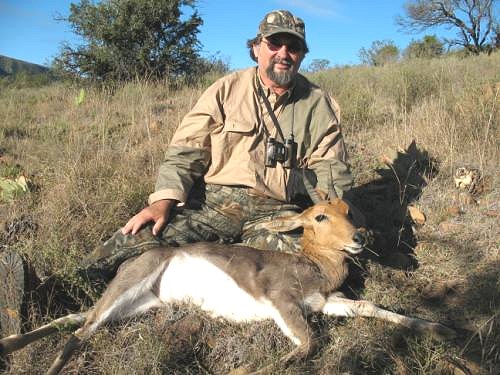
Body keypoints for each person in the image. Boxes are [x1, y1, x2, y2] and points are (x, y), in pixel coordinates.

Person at [82, 9, 353, 281]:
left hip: (276, 209)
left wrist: (340, 219)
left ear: (302, 55)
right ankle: (67, 285)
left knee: (309, 269)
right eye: (274, 44)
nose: (283, 53)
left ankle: (223, 275)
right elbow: (187, 150)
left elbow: (330, 168)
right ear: (257, 47)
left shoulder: (318, 103)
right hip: (213, 202)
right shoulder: (226, 89)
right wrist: (163, 201)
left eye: (293, 47)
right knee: (141, 235)